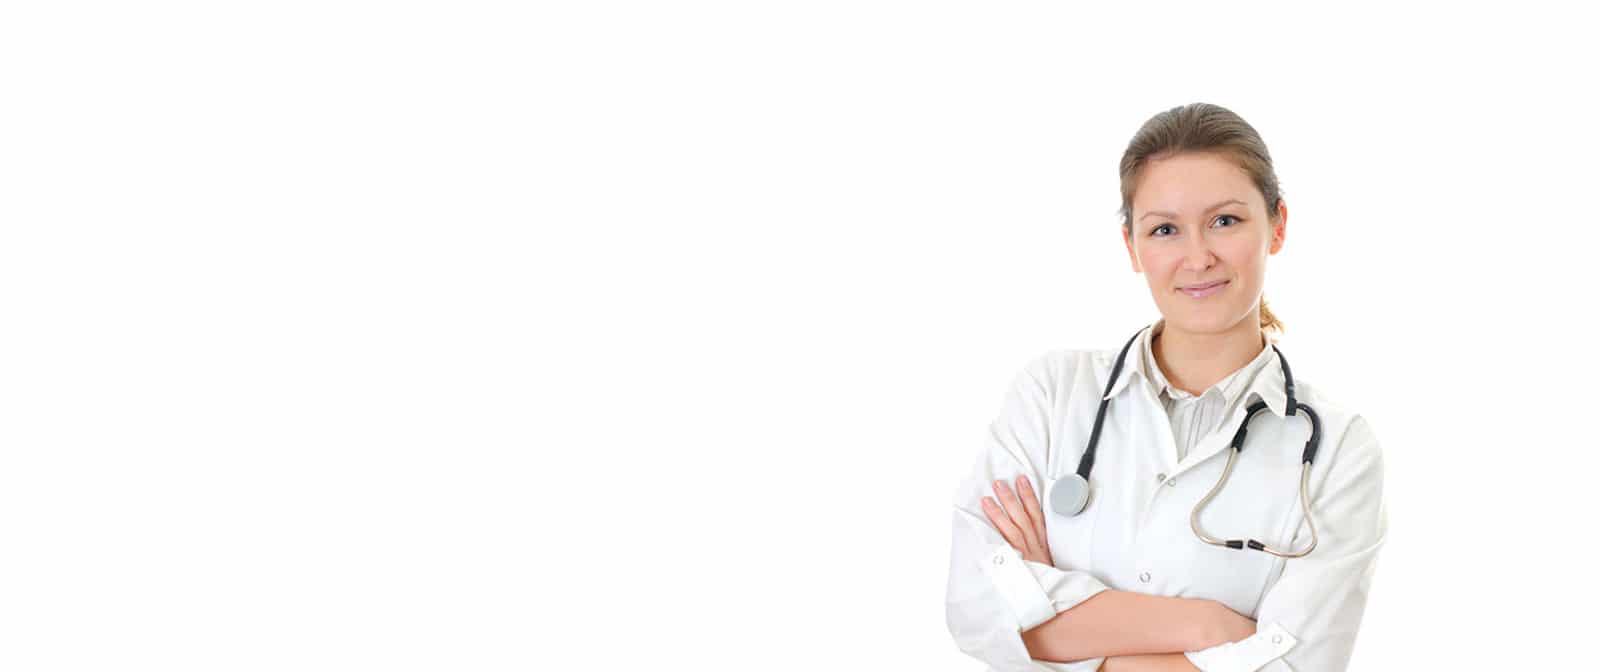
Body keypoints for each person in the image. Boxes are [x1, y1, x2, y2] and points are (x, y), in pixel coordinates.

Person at [944, 103, 1386, 672]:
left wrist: (1052, 630)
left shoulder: (1340, 452)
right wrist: (1208, 625)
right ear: (1132, 245)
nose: (1197, 258)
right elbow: (976, 608)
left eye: (1225, 221)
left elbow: (1296, 667)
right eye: (1165, 230)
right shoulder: (1052, 396)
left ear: (1277, 225)